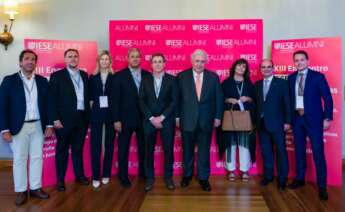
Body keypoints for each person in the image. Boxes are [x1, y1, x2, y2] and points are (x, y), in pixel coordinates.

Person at [0, 49, 52, 205]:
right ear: (20, 62)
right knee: (19, 159)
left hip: (38, 125)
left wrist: (49, 124)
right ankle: (21, 190)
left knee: (37, 158)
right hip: (18, 126)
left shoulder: (43, 81)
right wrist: (4, 129)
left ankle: (36, 188)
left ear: (36, 63)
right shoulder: (9, 80)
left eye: (33, 59)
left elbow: (48, 105)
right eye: (27, 59)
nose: (30, 61)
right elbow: (2, 106)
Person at [287, 50, 333, 200]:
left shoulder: (318, 77)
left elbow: (328, 99)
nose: (299, 62)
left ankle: (322, 186)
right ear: (294, 62)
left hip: (314, 120)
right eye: (296, 60)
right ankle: (300, 179)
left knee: (318, 153)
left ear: (307, 61)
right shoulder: (291, 77)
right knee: (299, 151)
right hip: (297, 119)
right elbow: (289, 100)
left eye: (302, 59)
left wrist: (327, 118)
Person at [177, 49, 223, 192]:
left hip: (206, 121)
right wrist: (177, 117)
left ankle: (203, 178)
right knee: (187, 151)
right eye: (197, 61)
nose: (199, 64)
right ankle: (187, 176)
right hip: (187, 120)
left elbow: (219, 99)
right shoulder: (181, 77)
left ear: (206, 62)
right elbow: (177, 100)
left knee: (204, 152)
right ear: (192, 61)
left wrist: (217, 117)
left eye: (202, 61)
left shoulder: (213, 77)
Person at [48, 49, 90, 192]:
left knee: (78, 149)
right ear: (65, 59)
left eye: (75, 56)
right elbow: (51, 100)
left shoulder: (84, 75)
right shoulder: (57, 76)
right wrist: (55, 119)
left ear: (79, 59)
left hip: (81, 119)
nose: (73, 59)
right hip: (64, 121)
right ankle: (60, 180)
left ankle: (79, 176)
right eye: (70, 56)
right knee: (62, 150)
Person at [139, 53, 178, 191]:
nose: (157, 64)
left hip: (166, 121)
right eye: (154, 61)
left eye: (160, 61)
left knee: (168, 151)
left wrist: (161, 117)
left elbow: (174, 101)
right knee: (148, 150)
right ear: (151, 64)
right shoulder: (145, 79)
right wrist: (151, 118)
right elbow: (141, 101)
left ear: (164, 63)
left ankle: (168, 178)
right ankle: (149, 178)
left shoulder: (172, 80)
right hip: (149, 121)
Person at [111, 48, 150, 187]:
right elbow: (114, 100)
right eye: (132, 56)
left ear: (141, 58)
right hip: (124, 119)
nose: (135, 59)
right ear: (127, 58)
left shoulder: (147, 75)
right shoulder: (119, 76)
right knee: (123, 149)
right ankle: (123, 175)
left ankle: (143, 172)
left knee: (143, 147)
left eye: (137, 57)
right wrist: (116, 120)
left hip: (144, 119)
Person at [254, 59, 291, 191]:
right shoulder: (257, 84)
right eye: (263, 67)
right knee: (266, 152)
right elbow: (256, 105)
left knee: (281, 152)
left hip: (278, 124)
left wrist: (287, 121)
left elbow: (287, 103)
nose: (266, 69)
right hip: (261, 124)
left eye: (269, 67)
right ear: (260, 69)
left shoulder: (282, 83)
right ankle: (268, 176)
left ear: (273, 68)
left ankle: (282, 180)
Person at [220, 58, 255, 182]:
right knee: (230, 144)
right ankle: (231, 170)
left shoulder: (249, 83)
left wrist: (249, 99)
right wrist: (228, 100)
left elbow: (255, 101)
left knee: (244, 144)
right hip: (230, 118)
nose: (241, 68)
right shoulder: (226, 83)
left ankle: (244, 170)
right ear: (234, 67)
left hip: (244, 119)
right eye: (239, 66)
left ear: (246, 70)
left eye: (244, 67)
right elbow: (219, 99)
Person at [89, 50, 116, 189]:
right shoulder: (92, 77)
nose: (104, 61)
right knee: (95, 145)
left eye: (107, 59)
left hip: (111, 114)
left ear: (110, 62)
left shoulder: (115, 77)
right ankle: (95, 175)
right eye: (102, 59)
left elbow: (117, 98)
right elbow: (89, 96)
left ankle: (106, 173)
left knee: (109, 145)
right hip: (96, 114)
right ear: (98, 62)